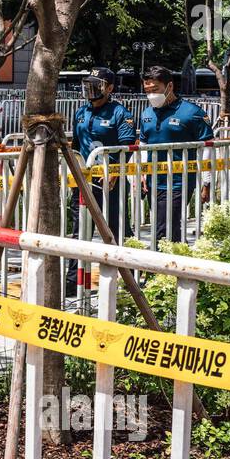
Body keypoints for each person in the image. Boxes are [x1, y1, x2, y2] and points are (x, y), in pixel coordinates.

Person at [66, 68, 134, 294]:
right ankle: (72, 280)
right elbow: (76, 144)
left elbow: (127, 144)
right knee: (79, 230)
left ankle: (129, 276)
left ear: (110, 88)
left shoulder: (119, 113)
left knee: (116, 229)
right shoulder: (81, 112)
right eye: (89, 84)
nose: (91, 89)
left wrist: (114, 169)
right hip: (84, 180)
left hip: (110, 182)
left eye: (98, 84)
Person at [138, 64, 213, 244]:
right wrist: (141, 172)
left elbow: (208, 146)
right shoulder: (146, 113)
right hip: (153, 181)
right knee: (169, 226)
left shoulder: (192, 113)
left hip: (179, 181)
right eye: (147, 91)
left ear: (169, 86)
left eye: (155, 90)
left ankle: (155, 267)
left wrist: (207, 181)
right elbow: (143, 143)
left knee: (163, 227)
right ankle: (179, 264)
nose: (151, 95)